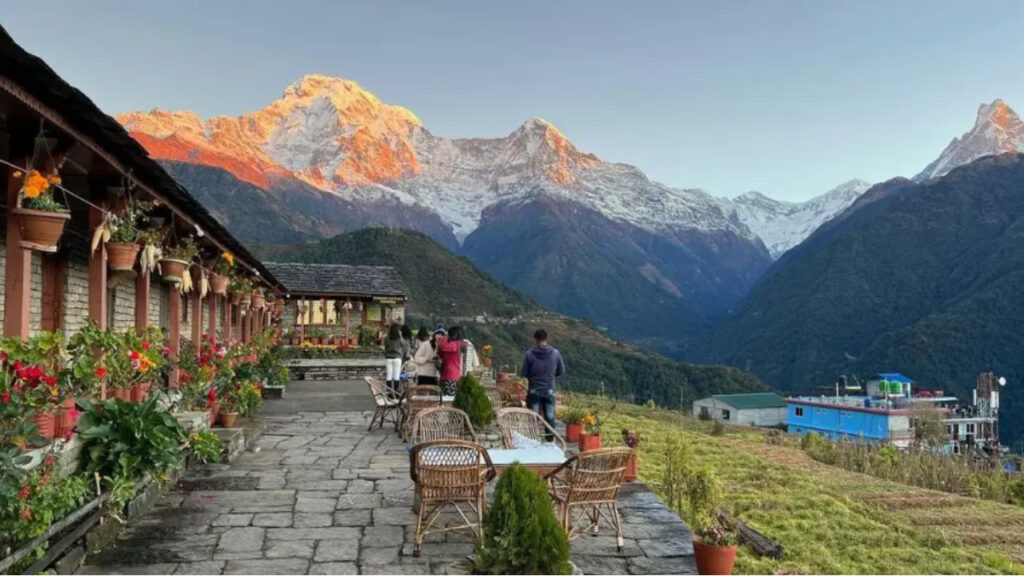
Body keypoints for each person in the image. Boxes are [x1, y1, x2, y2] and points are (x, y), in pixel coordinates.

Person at [520, 329, 565, 437]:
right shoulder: (555, 353)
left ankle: (533, 438)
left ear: (535, 339)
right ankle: (549, 440)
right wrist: (550, 375)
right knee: (550, 416)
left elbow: (524, 372)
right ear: (546, 338)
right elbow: (561, 371)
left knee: (533, 417)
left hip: (534, 389)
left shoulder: (529, 354)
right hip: (549, 388)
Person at [436, 325, 466, 396]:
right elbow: (441, 352)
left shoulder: (456, 344)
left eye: (448, 334)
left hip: (451, 376)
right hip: (447, 375)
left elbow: (443, 347)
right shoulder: (454, 345)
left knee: (449, 398)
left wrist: (443, 338)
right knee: (444, 398)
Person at [384, 323, 410, 396]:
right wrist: (401, 353)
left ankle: (389, 393)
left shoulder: (387, 338)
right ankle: (396, 393)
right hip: (397, 358)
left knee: (389, 376)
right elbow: (404, 345)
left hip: (388, 358)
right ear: (398, 330)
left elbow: (386, 346)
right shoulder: (400, 338)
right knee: (396, 376)